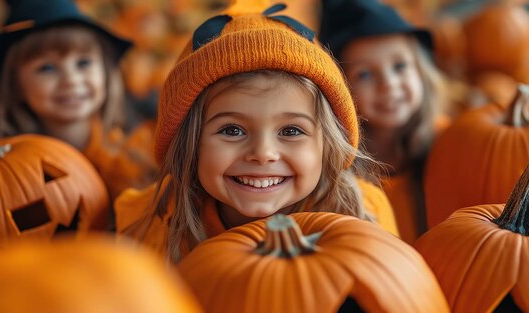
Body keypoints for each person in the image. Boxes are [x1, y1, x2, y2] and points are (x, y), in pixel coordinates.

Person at [115, 0, 399, 263]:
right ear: (190, 143)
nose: (263, 154)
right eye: (232, 130)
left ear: (328, 145)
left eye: (290, 131)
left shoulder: (364, 216)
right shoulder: (146, 229)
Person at [320, 0, 448, 244]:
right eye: (365, 74)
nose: (388, 84)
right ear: (339, 91)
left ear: (421, 70)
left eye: (400, 66)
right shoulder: (337, 178)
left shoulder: (451, 142)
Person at [0, 0, 133, 198]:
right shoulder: (2, 172)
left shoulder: (135, 157)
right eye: (47, 68)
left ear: (106, 72)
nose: (71, 80)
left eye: (83, 63)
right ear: (15, 86)